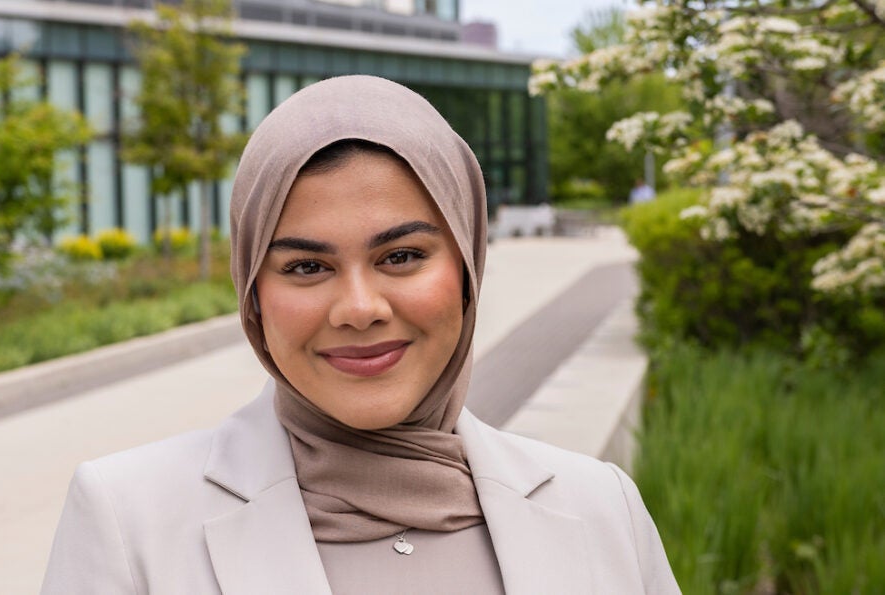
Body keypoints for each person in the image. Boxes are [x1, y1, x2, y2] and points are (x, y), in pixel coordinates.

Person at [40, 75, 679, 594]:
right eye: (306, 267)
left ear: (466, 268)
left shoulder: (602, 507)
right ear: (253, 294)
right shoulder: (129, 521)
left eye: (400, 256)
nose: (359, 308)